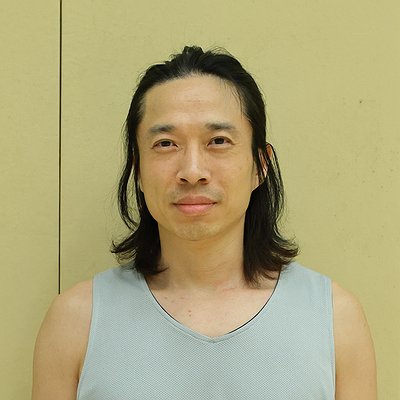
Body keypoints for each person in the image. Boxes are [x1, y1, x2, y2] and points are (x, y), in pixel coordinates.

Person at [32, 46, 376, 399]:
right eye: (166, 143)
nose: (192, 171)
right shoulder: (76, 321)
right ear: (138, 169)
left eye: (218, 141)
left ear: (260, 165)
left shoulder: (334, 318)